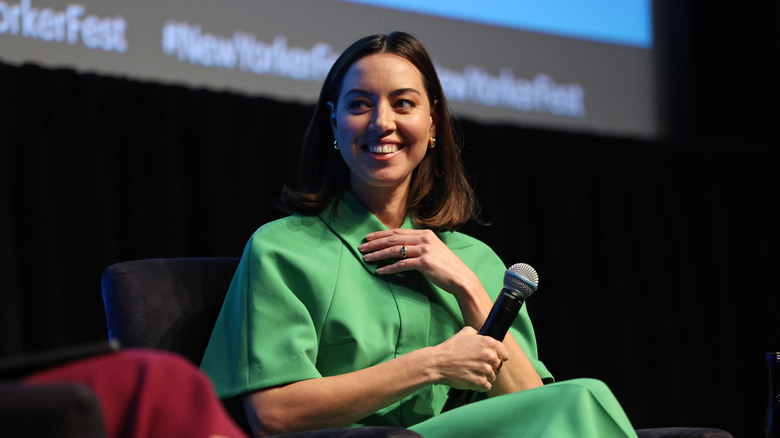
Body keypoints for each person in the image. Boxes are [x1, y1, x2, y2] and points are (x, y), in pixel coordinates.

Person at [200, 31, 637, 438]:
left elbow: (536, 408)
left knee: (584, 397)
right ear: (334, 125)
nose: (382, 123)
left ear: (432, 124)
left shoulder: (475, 260)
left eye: (404, 104)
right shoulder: (282, 249)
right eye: (359, 105)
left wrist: (467, 288)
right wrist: (432, 365)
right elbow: (274, 415)